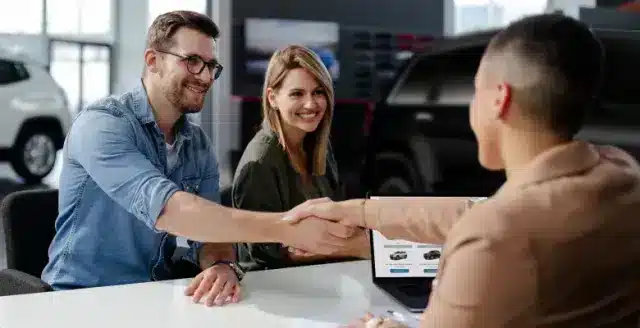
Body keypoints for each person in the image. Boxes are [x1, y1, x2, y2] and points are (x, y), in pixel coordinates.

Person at [291, 13, 640, 327]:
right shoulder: (622, 175)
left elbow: (490, 225)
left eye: (474, 92)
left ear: (498, 99)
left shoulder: (495, 239)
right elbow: (478, 213)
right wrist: (359, 211)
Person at [41, 11, 356, 307]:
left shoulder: (197, 144)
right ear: (153, 60)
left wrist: (221, 264)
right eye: (192, 61)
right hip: (82, 299)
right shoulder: (103, 125)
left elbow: (210, 238)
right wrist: (287, 227)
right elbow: (170, 211)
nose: (205, 76)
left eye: (210, 66)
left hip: (155, 294)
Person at [232, 45, 370, 270]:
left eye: (318, 92)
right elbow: (265, 255)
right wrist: (357, 246)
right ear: (273, 98)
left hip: (322, 279)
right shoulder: (259, 163)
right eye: (297, 93)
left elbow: (337, 219)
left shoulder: (318, 147)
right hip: (275, 292)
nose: (311, 104)